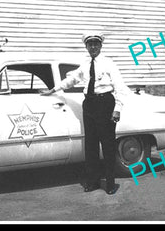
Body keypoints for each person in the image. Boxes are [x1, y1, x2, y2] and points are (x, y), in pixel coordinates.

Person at [41, 31, 130, 195]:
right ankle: (93, 181)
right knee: (90, 145)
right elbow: (71, 80)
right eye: (90, 44)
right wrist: (53, 90)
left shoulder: (109, 63)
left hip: (105, 103)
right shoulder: (85, 64)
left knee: (108, 145)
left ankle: (110, 183)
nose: (93, 47)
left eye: (96, 44)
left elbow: (121, 89)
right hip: (89, 104)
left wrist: (117, 109)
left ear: (101, 45)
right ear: (86, 46)